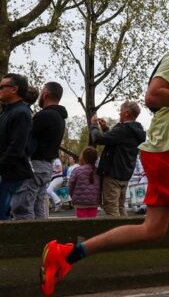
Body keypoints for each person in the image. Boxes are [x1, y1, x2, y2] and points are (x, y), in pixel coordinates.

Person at [40, 9, 169, 297]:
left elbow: (162, 107)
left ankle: (67, 255)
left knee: (153, 229)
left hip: (160, 150)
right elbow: (153, 96)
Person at [11, 82, 68, 220]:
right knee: (37, 206)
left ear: (46, 94)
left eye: (42, 91)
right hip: (45, 167)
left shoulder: (46, 115)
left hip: (34, 166)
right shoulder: (58, 116)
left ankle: (27, 239)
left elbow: (24, 134)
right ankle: (42, 237)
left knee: (23, 207)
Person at [89, 101, 146, 217]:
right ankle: (126, 233)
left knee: (111, 207)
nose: (119, 113)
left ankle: (117, 233)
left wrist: (94, 126)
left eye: (120, 111)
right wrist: (106, 129)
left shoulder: (123, 128)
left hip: (113, 175)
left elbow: (98, 139)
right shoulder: (137, 131)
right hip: (125, 175)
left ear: (126, 113)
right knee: (120, 206)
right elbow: (118, 142)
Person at [0, 73, 33, 220]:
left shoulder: (21, 113)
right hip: (6, 173)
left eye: (2, 87)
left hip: (12, 175)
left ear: (14, 89)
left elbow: (16, 147)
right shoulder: (7, 112)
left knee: (3, 215)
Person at [69, 147, 100, 218]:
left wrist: (72, 196)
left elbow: (71, 184)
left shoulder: (77, 170)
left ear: (83, 157)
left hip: (80, 202)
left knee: (81, 223)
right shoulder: (98, 172)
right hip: (93, 202)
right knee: (92, 222)